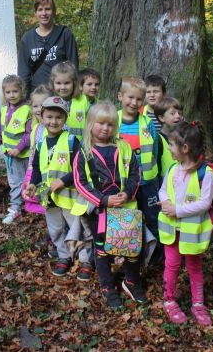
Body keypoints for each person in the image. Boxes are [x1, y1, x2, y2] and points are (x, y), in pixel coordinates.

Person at [72, 102, 146, 309]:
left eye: (111, 124)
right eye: (101, 123)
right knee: (102, 248)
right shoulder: (84, 152)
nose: (105, 128)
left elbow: (135, 174)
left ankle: (131, 281)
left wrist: (128, 193)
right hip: (99, 210)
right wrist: (103, 200)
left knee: (131, 246)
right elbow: (80, 182)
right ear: (90, 124)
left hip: (125, 206)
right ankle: (107, 285)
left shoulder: (124, 147)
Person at [24, 96, 91, 278]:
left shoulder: (71, 141)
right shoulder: (40, 143)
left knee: (77, 229)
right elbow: (37, 168)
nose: (53, 121)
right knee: (55, 230)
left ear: (65, 118)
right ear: (42, 117)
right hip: (48, 197)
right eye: (49, 117)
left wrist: (63, 181)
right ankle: (64, 256)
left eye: (58, 117)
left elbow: (80, 169)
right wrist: (32, 184)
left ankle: (85, 259)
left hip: (69, 197)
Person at [159, 121, 213, 326]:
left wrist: (178, 210)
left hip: (192, 232)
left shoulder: (206, 174)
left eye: (171, 144)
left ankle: (198, 303)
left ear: (185, 148)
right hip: (171, 230)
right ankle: (169, 299)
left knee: (194, 266)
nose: (168, 148)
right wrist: (166, 201)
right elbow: (163, 190)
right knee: (172, 265)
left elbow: (205, 203)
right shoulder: (172, 169)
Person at [117, 78, 160, 257]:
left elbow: (155, 148)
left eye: (139, 99)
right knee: (128, 219)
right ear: (120, 96)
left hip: (147, 181)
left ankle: (155, 255)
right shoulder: (114, 120)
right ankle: (129, 256)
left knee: (152, 217)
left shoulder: (147, 123)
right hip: (124, 183)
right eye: (130, 97)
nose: (134, 103)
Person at [18, 0, 79, 93]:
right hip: (37, 94)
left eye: (47, 9)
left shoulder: (64, 34)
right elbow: (23, 72)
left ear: (54, 11)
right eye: (40, 9)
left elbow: (74, 66)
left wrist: (75, 93)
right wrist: (24, 96)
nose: (44, 13)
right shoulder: (27, 38)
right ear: (35, 13)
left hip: (61, 93)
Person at [0, 75, 32, 224]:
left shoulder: (27, 110)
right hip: (9, 154)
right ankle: (17, 207)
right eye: (8, 92)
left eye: (15, 91)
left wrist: (18, 149)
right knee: (14, 181)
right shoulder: (4, 109)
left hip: (23, 154)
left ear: (21, 91)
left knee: (23, 181)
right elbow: (2, 130)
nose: (11, 95)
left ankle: (21, 207)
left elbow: (29, 134)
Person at [22, 85, 51, 218]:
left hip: (48, 168)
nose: (39, 109)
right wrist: (30, 167)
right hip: (35, 167)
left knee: (46, 195)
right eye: (35, 106)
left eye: (42, 105)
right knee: (34, 191)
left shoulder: (53, 127)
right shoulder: (36, 127)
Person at [49, 61, 89, 140]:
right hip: (59, 145)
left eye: (67, 83)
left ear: (74, 83)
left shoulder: (84, 101)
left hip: (81, 145)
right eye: (58, 83)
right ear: (53, 83)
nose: (63, 87)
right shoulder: (49, 103)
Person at [153, 97, 184, 180]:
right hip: (166, 183)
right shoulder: (158, 139)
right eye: (173, 113)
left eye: (180, 113)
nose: (178, 116)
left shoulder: (185, 136)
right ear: (162, 118)